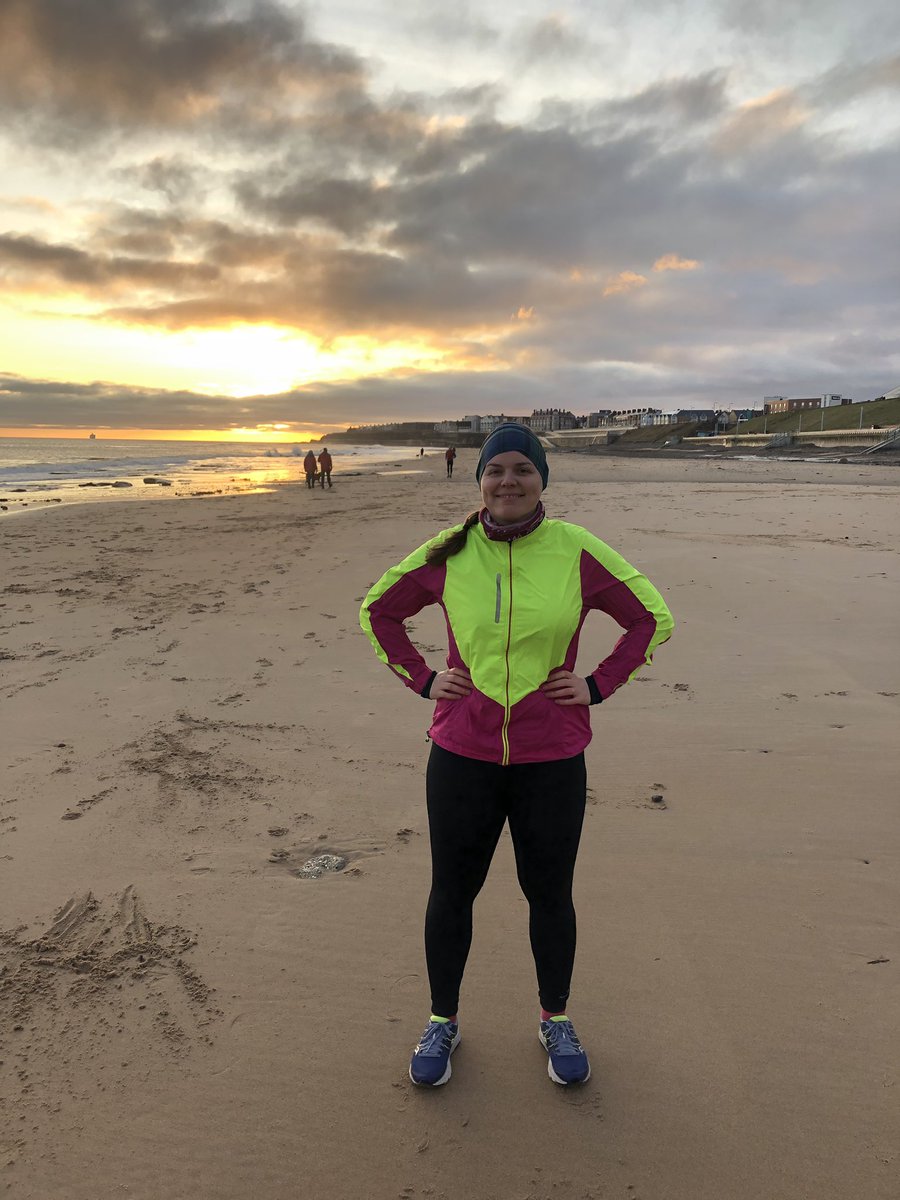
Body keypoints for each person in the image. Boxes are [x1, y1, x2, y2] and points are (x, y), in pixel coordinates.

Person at [360, 422, 673, 1089]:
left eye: (522, 470)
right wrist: (422, 679)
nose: (508, 481)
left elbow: (651, 617)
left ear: (541, 481)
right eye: (496, 470)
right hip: (462, 753)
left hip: (551, 757)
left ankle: (554, 1018)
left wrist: (595, 685)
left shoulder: (575, 551)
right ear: (480, 480)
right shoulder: (451, 551)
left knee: (550, 894)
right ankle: (442, 1021)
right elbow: (378, 612)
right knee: (452, 893)